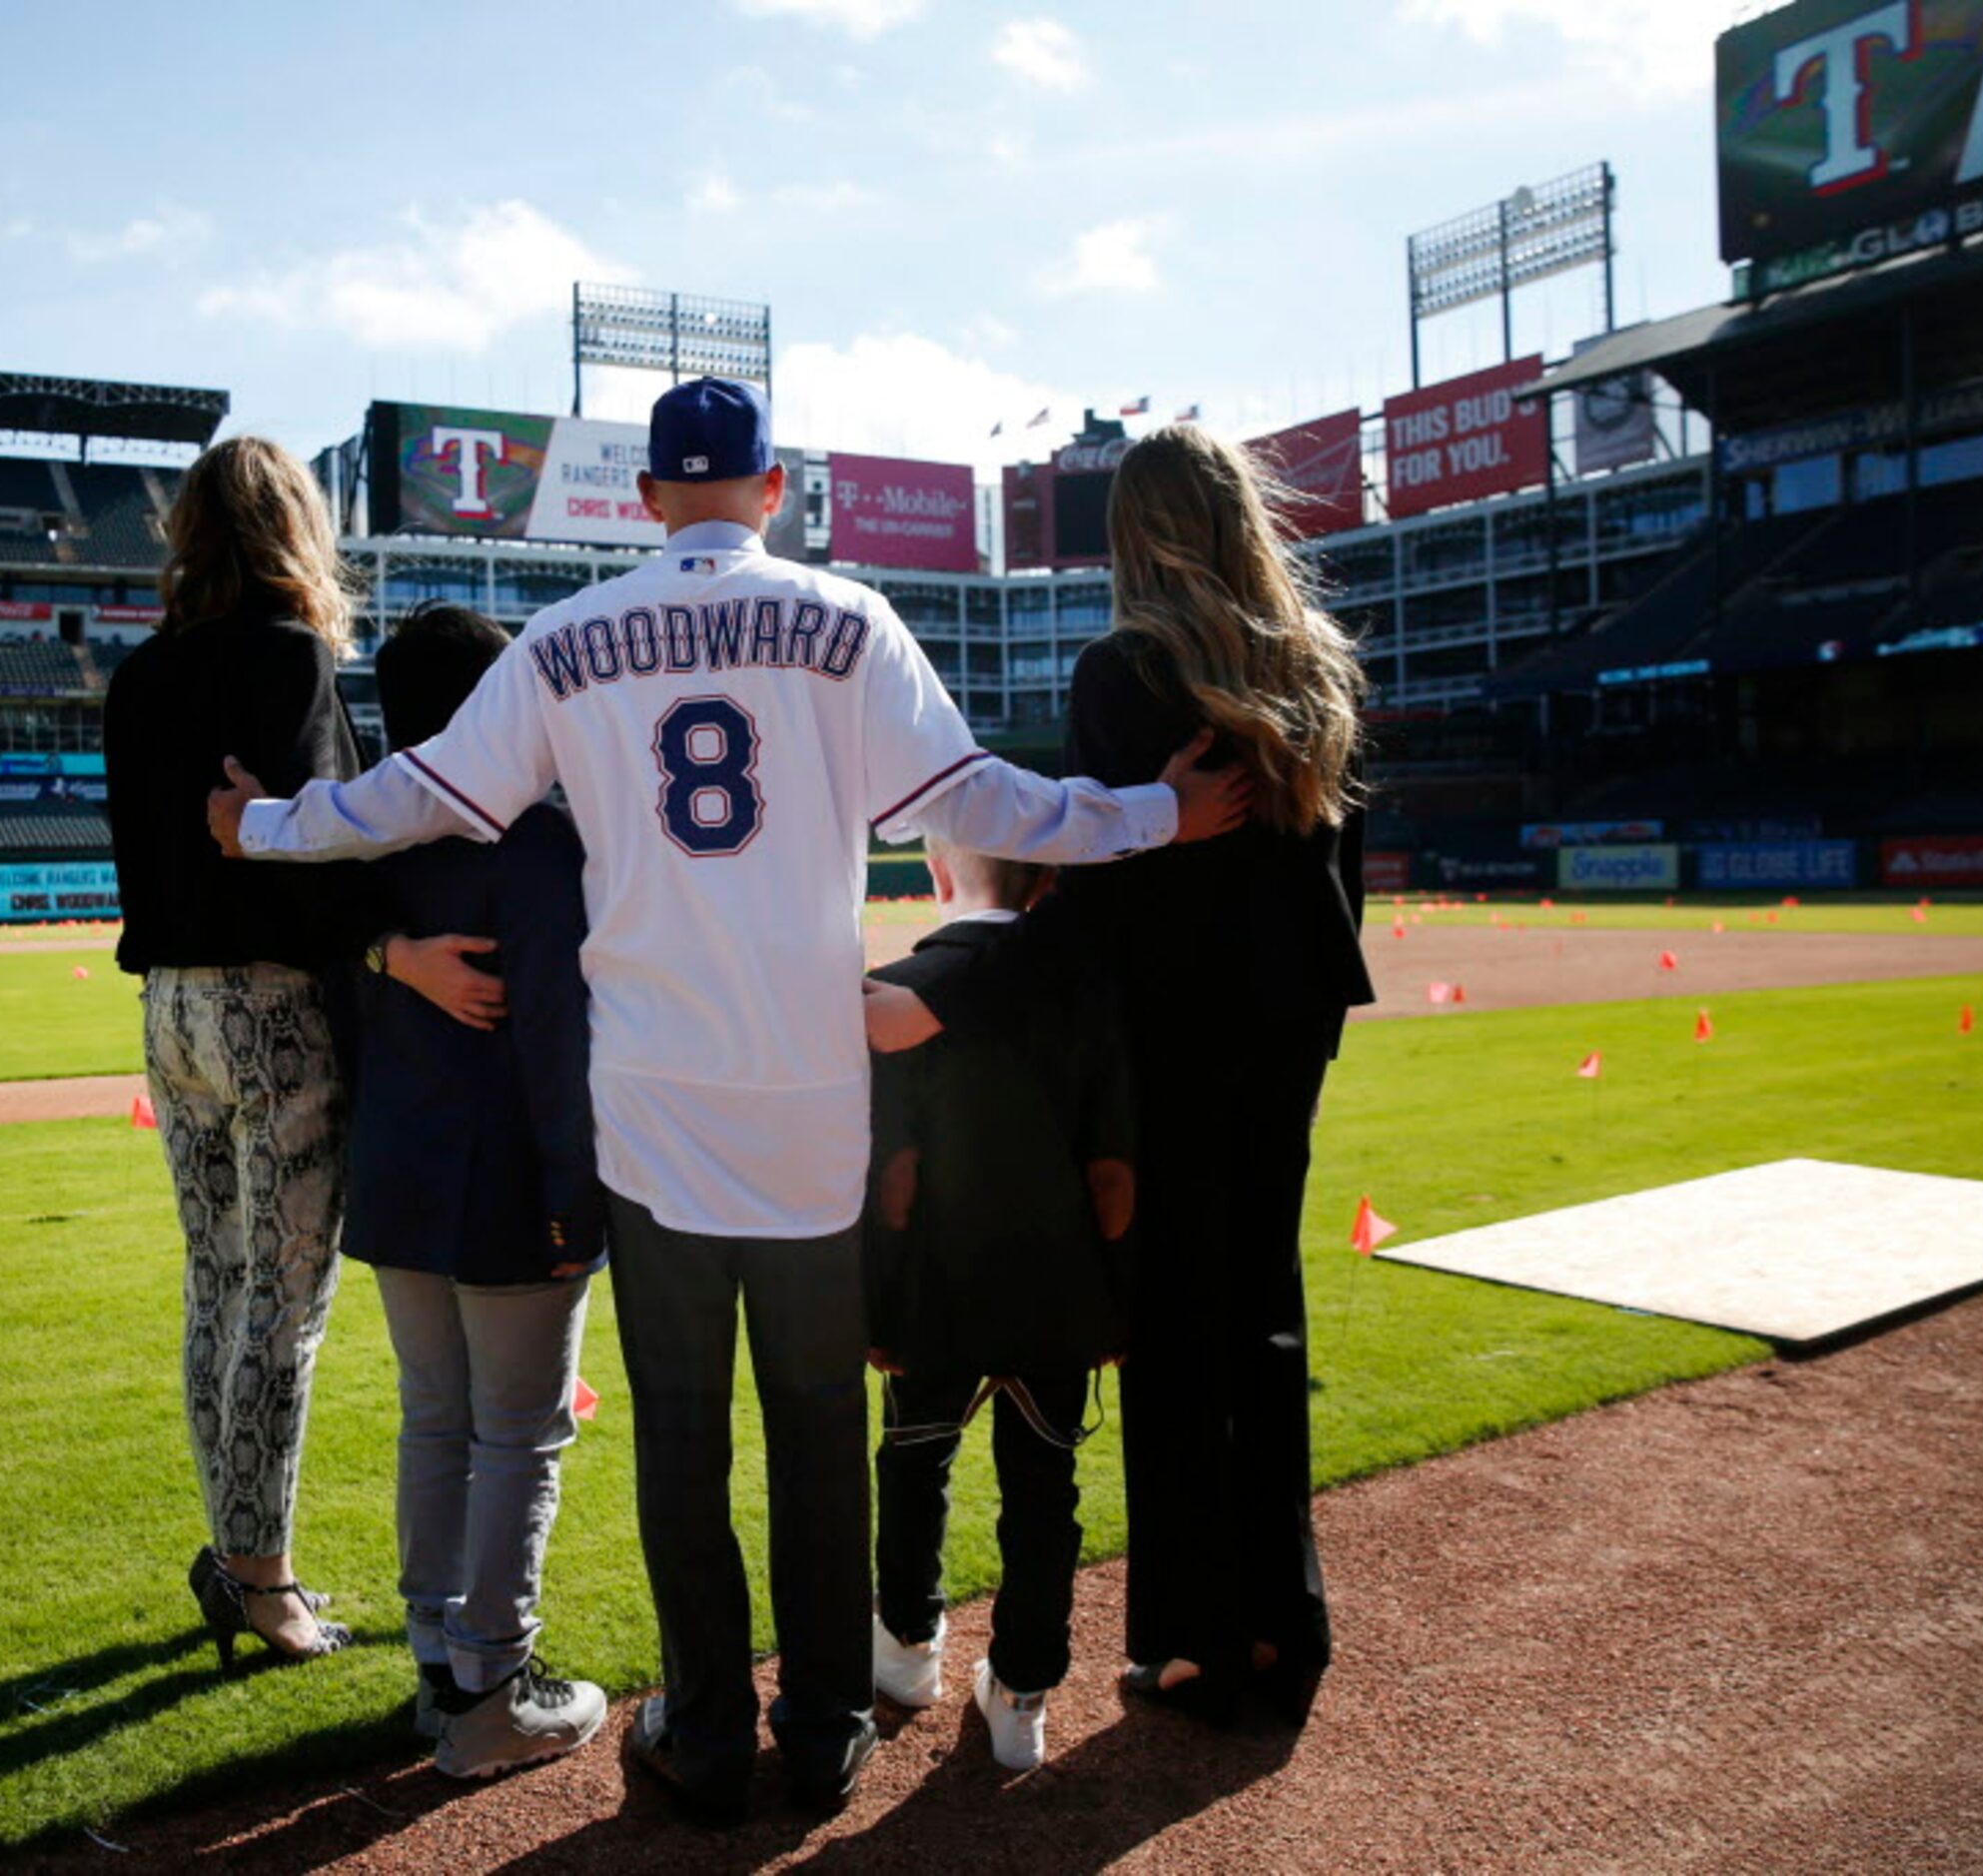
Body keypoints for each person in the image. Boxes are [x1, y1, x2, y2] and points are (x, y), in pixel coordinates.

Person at [205, 378, 1252, 1824]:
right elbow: (990, 806)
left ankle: (703, 1727)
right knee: (819, 1429)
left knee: (682, 1437)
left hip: (653, 1110)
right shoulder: (850, 620)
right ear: (773, 491)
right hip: (811, 1105)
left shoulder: (569, 639)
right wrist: (1155, 814)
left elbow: (413, 796)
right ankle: (820, 1727)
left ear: (646, 501)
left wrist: (258, 823)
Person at [863, 422, 1373, 1728]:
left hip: (1175, 1036)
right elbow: (1335, 880)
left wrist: (949, 989)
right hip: (1292, 1023)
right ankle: (1283, 1618)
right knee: (1266, 1311)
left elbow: (1091, 895)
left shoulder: (1132, 669)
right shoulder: (1312, 664)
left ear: (1130, 534)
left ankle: (1196, 1635)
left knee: (1169, 1335)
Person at [104, 434, 500, 1671]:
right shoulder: (289, 660)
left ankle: (237, 1555)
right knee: (283, 1304)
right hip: (276, 1013)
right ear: (295, 530)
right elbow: (319, 851)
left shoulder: (137, 674)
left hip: (171, 1011)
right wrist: (390, 949)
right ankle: (262, 1577)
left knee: (217, 1290)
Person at [342, 601, 610, 1777]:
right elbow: (556, 1037)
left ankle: (435, 1667)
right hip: (504, 1176)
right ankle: (491, 1685)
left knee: (435, 1421)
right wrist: (579, 1195)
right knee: (515, 1432)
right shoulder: (539, 842)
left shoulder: (363, 839)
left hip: (397, 1170)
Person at [862, 835, 1135, 1772]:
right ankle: (1022, 1693)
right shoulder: (1088, 993)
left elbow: (893, 1179)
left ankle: (905, 1652)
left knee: (911, 1463)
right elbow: (1113, 1179)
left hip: (936, 1293)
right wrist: (1118, 1307)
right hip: (1058, 1298)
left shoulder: (894, 989)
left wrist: (874, 1309)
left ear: (938, 875)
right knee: (1045, 1490)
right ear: (1050, 881)